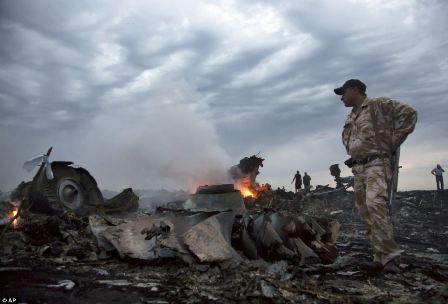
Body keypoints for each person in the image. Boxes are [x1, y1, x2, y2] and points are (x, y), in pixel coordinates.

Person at [335, 79, 417, 272]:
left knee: (376, 205)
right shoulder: (351, 117)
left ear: (355, 90)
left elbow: (409, 114)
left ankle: (391, 258)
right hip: (359, 168)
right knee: (365, 211)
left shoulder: (378, 105)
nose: (341, 98)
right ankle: (379, 256)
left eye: (344, 93)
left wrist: (392, 143)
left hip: (376, 164)